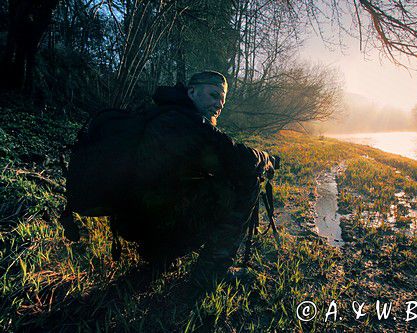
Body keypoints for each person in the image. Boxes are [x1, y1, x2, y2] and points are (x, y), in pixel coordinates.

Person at [61, 70, 278, 286]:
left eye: (222, 100)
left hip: (136, 224)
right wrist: (267, 158)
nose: (219, 105)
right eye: (214, 95)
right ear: (192, 92)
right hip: (155, 225)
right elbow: (240, 159)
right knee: (248, 180)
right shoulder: (185, 123)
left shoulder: (162, 114)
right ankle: (211, 272)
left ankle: (160, 256)